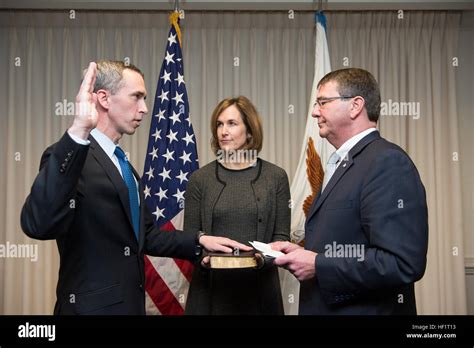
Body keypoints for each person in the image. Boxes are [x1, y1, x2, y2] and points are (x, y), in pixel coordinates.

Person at [20, 61, 250, 315]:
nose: (145, 109)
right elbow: (37, 224)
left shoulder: (126, 167)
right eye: (137, 97)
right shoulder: (70, 155)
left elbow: (146, 235)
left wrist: (200, 240)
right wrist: (78, 131)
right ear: (104, 99)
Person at [272, 68, 428, 315]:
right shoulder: (342, 163)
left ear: (355, 106)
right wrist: (305, 254)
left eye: (322, 102)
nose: (314, 112)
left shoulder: (387, 162)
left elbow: (402, 263)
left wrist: (318, 265)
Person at [183, 96, 291, 315]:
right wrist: (203, 256)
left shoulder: (276, 177)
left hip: (260, 294)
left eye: (232, 124)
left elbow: (281, 238)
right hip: (210, 294)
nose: (223, 131)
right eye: (219, 124)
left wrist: (262, 259)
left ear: (249, 131)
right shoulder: (200, 179)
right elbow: (190, 237)